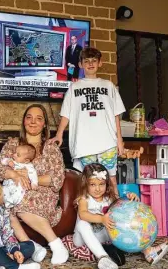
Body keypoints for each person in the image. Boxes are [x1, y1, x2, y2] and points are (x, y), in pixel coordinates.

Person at [0, 104, 69, 265]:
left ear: (44, 124)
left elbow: (57, 178)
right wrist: (14, 174)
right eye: (29, 117)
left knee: (21, 201)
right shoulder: (13, 144)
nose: (33, 121)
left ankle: (56, 245)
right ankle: (31, 246)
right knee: (3, 207)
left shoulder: (51, 148)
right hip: (15, 190)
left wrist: (30, 178)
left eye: (39, 118)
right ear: (24, 121)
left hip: (42, 193)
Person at [51, 47, 125, 197]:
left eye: (94, 61)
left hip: (107, 141)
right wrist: (59, 134)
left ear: (100, 63)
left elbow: (116, 114)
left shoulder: (108, 86)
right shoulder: (74, 87)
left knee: (111, 179)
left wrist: (120, 140)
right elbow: (66, 114)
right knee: (88, 182)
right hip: (84, 142)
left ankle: (115, 212)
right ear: (80, 64)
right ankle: (87, 215)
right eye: (86, 61)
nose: (90, 64)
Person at [74, 163, 168, 269]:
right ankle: (102, 257)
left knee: (125, 219)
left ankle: (149, 252)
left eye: (101, 184)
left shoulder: (108, 198)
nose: (97, 189)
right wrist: (102, 219)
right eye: (92, 184)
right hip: (83, 239)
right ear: (85, 184)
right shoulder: (84, 199)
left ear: (106, 184)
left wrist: (129, 197)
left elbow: (119, 206)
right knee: (82, 224)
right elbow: (83, 214)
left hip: (105, 237)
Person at [0, 144, 38, 209]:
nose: (14, 155)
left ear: (26, 160)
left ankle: (11, 202)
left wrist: (34, 183)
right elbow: (2, 161)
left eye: (18, 155)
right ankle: (4, 203)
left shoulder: (29, 166)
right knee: (3, 190)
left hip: (19, 186)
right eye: (15, 152)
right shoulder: (13, 161)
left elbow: (33, 175)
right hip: (8, 184)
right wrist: (8, 161)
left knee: (19, 193)